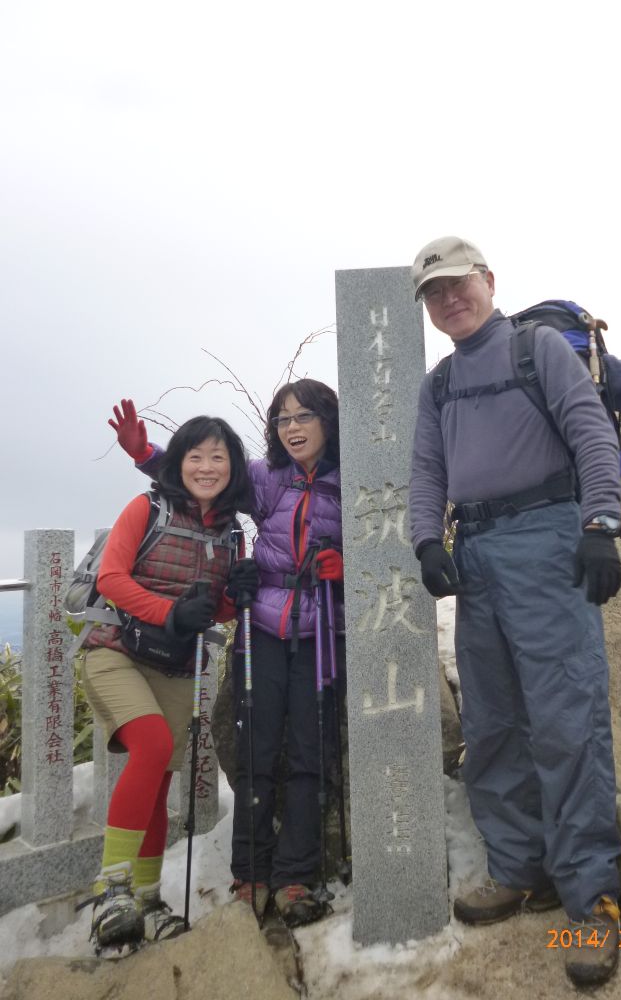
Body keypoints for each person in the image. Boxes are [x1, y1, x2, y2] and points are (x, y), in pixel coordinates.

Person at [408, 236, 621, 988]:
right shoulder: (438, 385)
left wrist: (600, 523)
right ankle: (521, 866)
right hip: (477, 552)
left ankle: (593, 892)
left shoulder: (536, 350)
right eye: (434, 293)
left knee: (567, 716)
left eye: (458, 284)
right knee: (494, 720)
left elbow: (591, 432)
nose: (448, 300)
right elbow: (427, 467)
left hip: (546, 538)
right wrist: (424, 540)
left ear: (488, 281)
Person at [109, 380, 344, 928]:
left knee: (311, 753)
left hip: (323, 627)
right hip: (261, 622)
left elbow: (383, 538)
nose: (292, 428)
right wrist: (147, 454)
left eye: (303, 417)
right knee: (257, 749)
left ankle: (294, 876)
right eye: (283, 419)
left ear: (328, 422)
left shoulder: (349, 481)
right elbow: (210, 479)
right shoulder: (267, 477)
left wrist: (348, 565)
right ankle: (251, 873)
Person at [80, 416, 250, 954]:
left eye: (218, 457)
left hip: (176, 663)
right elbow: (111, 579)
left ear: (232, 467)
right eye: (196, 456)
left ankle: (148, 901)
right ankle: (113, 890)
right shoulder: (146, 509)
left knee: (155, 779)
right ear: (177, 461)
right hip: (115, 651)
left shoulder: (232, 533)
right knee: (151, 745)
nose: (206, 467)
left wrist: (235, 597)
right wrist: (171, 612)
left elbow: (211, 611)